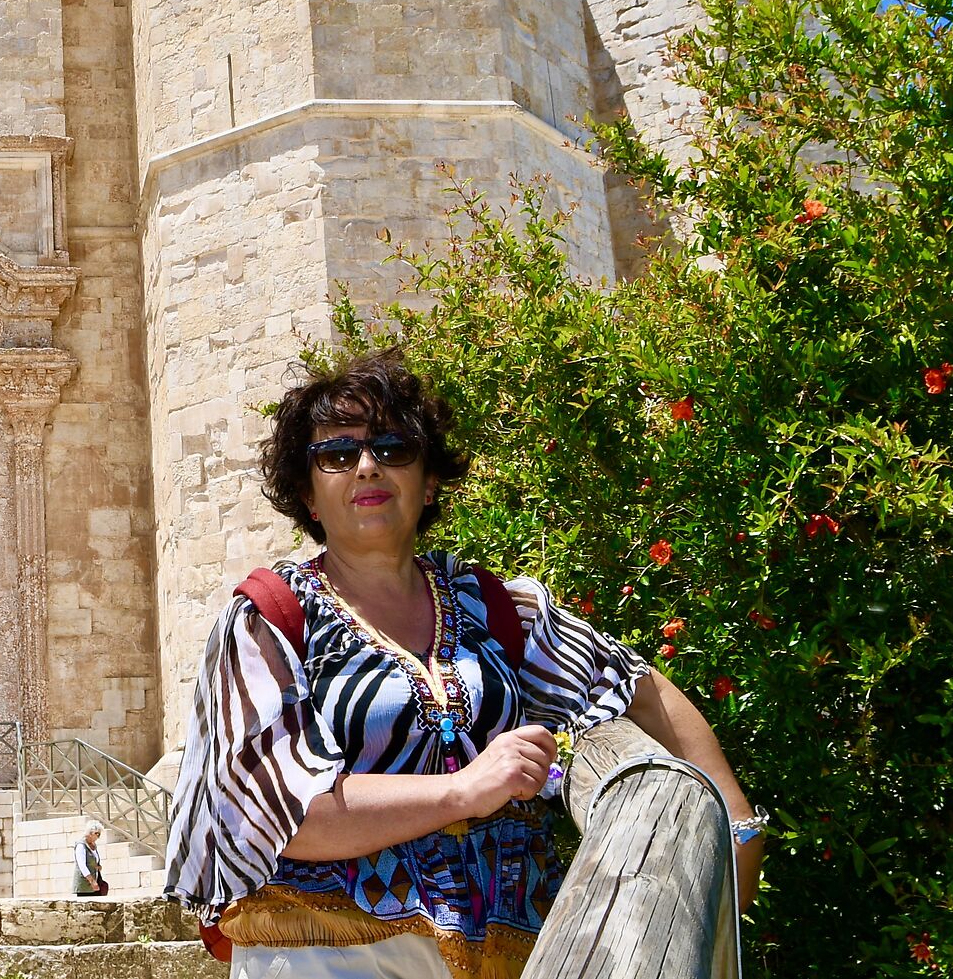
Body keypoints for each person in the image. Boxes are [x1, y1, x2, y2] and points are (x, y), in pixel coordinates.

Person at [165, 349, 764, 979]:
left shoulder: (496, 608)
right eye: (336, 455)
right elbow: (275, 813)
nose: (367, 465)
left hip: (507, 957)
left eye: (394, 449)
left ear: (428, 484)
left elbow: (635, 688)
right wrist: (462, 790)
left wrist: (737, 826)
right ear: (309, 497)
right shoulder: (270, 619)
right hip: (329, 955)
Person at [75, 821, 110, 897]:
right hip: (86, 884)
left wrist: (98, 866)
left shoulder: (93, 845)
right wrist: (92, 881)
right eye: (97, 834)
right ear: (91, 833)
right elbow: (82, 866)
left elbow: (94, 860)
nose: (98, 837)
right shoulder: (81, 846)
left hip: (96, 880)